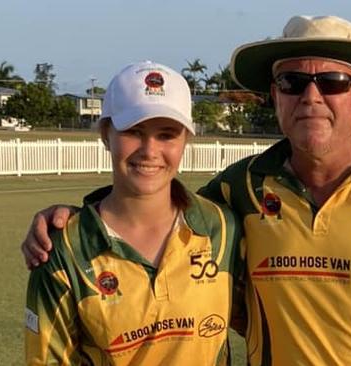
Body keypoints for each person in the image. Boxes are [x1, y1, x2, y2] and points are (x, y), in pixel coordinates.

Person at [22, 15, 351, 365]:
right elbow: (154, 206)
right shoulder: (240, 188)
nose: (311, 97)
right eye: (292, 81)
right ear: (274, 94)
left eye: (332, 81)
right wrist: (76, 218)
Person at [24, 61, 242, 365]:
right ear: (105, 134)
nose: (150, 150)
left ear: (185, 141)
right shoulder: (63, 250)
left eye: (167, 135)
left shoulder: (222, 227)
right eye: (134, 132)